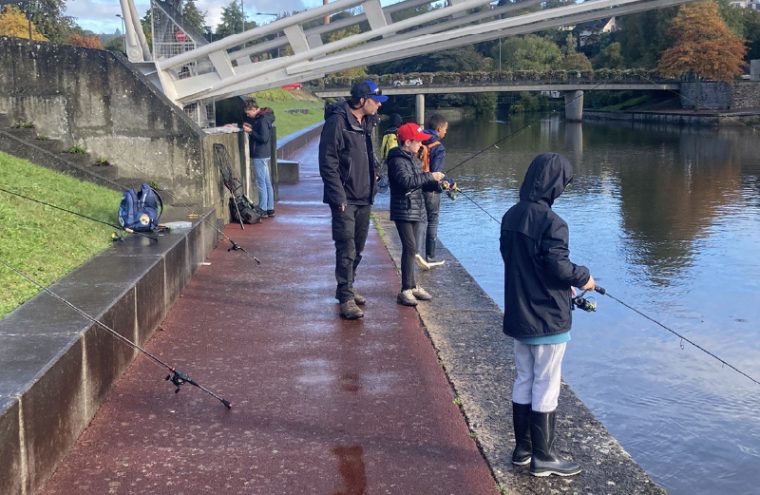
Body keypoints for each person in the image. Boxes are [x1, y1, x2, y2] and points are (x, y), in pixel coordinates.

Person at [500, 152, 595, 478]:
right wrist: (584, 277)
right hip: (547, 319)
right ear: (556, 185)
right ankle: (544, 458)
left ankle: (522, 451)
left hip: (519, 314)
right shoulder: (553, 223)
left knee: (524, 378)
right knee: (547, 382)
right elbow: (558, 266)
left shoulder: (511, 215)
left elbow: (518, 263)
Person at [319, 80, 387, 320]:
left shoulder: (368, 122)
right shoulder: (338, 122)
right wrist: (338, 196)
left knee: (358, 247)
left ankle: (346, 287)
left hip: (365, 195)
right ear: (361, 100)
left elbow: (368, 154)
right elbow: (328, 162)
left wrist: (375, 170)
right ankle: (346, 297)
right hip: (345, 198)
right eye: (375, 100)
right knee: (346, 247)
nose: (379, 105)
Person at [387, 123, 445, 306]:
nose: (421, 145)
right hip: (402, 209)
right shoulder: (397, 160)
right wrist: (430, 176)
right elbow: (406, 182)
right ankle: (405, 290)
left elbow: (420, 182)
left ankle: (412, 286)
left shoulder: (414, 158)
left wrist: (439, 184)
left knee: (412, 249)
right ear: (407, 142)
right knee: (410, 247)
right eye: (418, 142)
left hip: (416, 208)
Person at [416, 113, 450, 268]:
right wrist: (450, 182)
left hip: (416, 185)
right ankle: (430, 256)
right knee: (432, 221)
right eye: (445, 129)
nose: (445, 133)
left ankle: (416, 251)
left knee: (420, 220)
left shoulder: (418, 140)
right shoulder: (439, 147)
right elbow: (436, 172)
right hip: (431, 189)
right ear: (439, 128)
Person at [242, 99, 276, 218]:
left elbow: (264, 138)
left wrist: (250, 131)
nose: (248, 115)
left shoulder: (261, 120)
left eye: (248, 113)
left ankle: (262, 209)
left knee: (261, 183)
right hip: (265, 154)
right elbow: (263, 133)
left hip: (260, 154)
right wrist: (252, 127)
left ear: (253, 109)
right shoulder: (264, 118)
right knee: (267, 182)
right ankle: (270, 208)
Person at [377, 113, 403, 193]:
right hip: (396, 158)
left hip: (387, 158)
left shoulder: (386, 132)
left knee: (386, 176)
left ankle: (382, 189)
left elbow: (383, 147)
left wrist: (382, 158)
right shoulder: (398, 131)